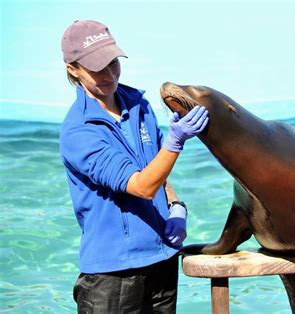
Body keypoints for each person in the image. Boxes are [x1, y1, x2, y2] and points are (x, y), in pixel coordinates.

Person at [59, 19, 208, 313]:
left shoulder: (139, 104)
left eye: (113, 63)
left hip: (162, 260)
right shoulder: (79, 131)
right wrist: (175, 142)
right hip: (112, 274)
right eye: (96, 68)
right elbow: (141, 185)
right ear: (73, 69)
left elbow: (157, 171)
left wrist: (177, 208)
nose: (108, 74)